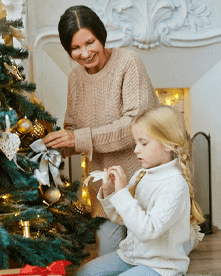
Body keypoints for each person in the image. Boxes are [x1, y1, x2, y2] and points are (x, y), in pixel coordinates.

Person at [42, 5, 160, 255]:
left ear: (101, 35)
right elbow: (74, 129)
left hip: (144, 185)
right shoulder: (75, 78)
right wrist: (49, 145)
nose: (84, 53)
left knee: (148, 260)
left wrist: (78, 137)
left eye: (90, 42)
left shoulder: (129, 63)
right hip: (106, 195)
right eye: (75, 48)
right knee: (108, 260)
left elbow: (134, 126)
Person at [74, 105, 205, 276]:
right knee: (84, 273)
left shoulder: (175, 185)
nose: (136, 150)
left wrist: (122, 194)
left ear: (168, 145)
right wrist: (111, 192)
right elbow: (120, 217)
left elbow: (146, 231)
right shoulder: (141, 175)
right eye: (136, 143)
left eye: (143, 143)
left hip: (161, 266)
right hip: (131, 257)